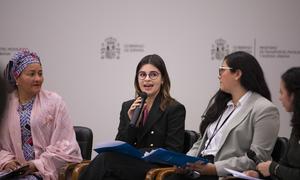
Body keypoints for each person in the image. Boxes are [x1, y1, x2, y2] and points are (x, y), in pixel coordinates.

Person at [165, 51, 280, 180]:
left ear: (237, 74)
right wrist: (184, 161)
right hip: (199, 168)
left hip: (223, 173)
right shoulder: (223, 105)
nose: (219, 76)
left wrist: (215, 169)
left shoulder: (264, 109)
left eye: (222, 70)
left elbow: (259, 158)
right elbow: (201, 142)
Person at [79, 54, 186, 180]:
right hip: (128, 167)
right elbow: (119, 146)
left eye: (153, 74)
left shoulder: (174, 108)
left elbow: (173, 151)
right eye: (142, 75)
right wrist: (132, 123)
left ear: (163, 79)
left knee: (106, 159)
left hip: (155, 169)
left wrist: (139, 153)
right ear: (137, 79)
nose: (147, 79)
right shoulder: (128, 106)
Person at [0, 49, 82, 180]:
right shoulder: (6, 105)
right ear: (17, 78)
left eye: (40, 73)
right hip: (13, 172)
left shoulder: (54, 102)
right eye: (31, 74)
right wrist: (6, 161)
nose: (38, 79)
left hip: (44, 172)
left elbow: (67, 146)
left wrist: (35, 165)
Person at [244, 67, 300, 180]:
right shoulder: (297, 125)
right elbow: (284, 164)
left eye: (282, 92)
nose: (280, 98)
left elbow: (280, 169)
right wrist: (259, 173)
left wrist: (273, 168)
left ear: (293, 95)